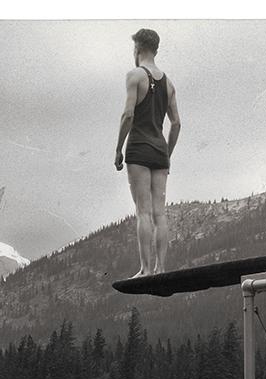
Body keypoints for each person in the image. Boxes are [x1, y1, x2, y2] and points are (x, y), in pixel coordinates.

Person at [114, 27, 181, 277]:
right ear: (156, 49)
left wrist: (118, 149)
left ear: (138, 48)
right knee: (159, 212)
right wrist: (168, 155)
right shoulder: (169, 84)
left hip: (139, 149)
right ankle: (161, 268)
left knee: (143, 211)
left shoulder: (135, 76)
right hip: (160, 151)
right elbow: (176, 123)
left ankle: (145, 269)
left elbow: (128, 115)